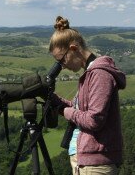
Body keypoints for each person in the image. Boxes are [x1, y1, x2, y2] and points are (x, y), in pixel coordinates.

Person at [49, 16, 126, 175]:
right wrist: (54, 100)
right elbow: (79, 109)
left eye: (62, 60)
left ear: (74, 48)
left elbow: (93, 120)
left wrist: (64, 111)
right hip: (88, 159)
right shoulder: (90, 73)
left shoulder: (99, 75)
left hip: (97, 162)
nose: (62, 66)